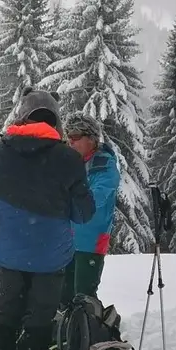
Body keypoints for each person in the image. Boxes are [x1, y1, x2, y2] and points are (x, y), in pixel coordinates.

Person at [0, 89, 95, 350]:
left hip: (8, 254)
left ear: (22, 116)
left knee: (8, 310)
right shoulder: (68, 159)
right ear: (55, 121)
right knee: (41, 315)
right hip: (50, 257)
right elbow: (83, 214)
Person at [62, 111, 120, 303]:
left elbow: (95, 198)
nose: (71, 141)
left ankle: (89, 331)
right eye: (68, 136)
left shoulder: (104, 165)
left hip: (90, 242)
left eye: (76, 137)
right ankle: (65, 332)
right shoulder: (72, 163)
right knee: (63, 296)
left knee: (84, 295)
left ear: (91, 138)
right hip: (66, 241)